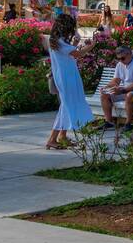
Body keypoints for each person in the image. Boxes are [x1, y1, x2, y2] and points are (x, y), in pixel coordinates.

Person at [42, 14, 97, 150]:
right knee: (66, 106)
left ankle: (62, 136)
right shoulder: (60, 42)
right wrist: (92, 45)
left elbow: (68, 54)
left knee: (67, 105)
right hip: (67, 77)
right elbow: (77, 54)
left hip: (65, 76)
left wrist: (75, 44)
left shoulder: (56, 41)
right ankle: (52, 139)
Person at [100, 44, 133, 140]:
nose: (120, 61)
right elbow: (116, 80)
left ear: (130, 54)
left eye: (123, 58)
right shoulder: (120, 64)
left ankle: (128, 124)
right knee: (105, 95)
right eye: (118, 59)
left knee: (129, 95)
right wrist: (106, 87)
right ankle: (109, 122)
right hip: (127, 90)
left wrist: (122, 90)